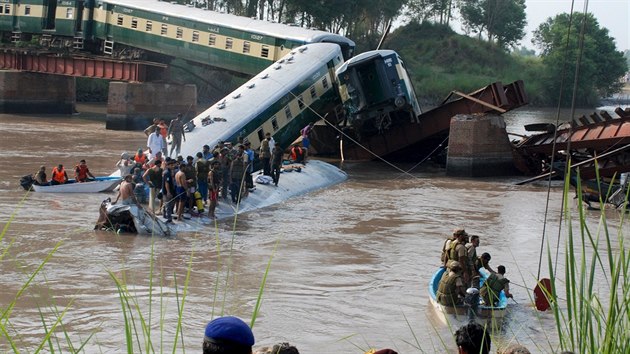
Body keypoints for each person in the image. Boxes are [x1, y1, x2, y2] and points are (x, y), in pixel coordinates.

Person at [161, 158, 176, 223]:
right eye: (171, 165)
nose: (173, 166)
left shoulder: (169, 172)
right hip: (167, 191)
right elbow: (166, 183)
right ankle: (169, 218)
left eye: (173, 165)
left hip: (168, 191)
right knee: (168, 205)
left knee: (166, 204)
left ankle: (164, 216)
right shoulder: (167, 173)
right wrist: (168, 192)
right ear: (167, 166)